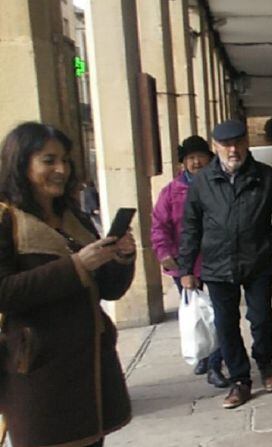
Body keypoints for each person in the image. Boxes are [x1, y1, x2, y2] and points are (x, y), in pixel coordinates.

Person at [0, 122, 137, 447]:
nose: (61, 169)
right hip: (41, 374)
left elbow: (108, 290)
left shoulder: (72, 214)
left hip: (90, 367)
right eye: (48, 160)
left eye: (65, 160)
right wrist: (76, 266)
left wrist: (120, 258)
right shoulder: (7, 220)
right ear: (21, 162)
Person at [178, 119, 272, 409]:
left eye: (238, 143)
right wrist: (185, 269)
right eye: (226, 145)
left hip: (257, 262)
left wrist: (271, 242)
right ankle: (240, 380)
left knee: (260, 317)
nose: (233, 150)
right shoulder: (203, 182)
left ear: (246, 143)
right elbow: (191, 226)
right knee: (226, 324)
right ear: (216, 146)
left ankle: (265, 360)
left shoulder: (266, 176)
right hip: (217, 266)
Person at [150, 135, 227, 388]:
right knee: (197, 313)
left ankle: (215, 364)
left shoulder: (220, 185)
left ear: (209, 159)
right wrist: (164, 253)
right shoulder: (171, 192)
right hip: (185, 265)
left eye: (200, 157)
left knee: (218, 314)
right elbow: (159, 226)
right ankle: (204, 353)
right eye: (190, 158)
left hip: (217, 261)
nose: (196, 162)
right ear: (183, 163)